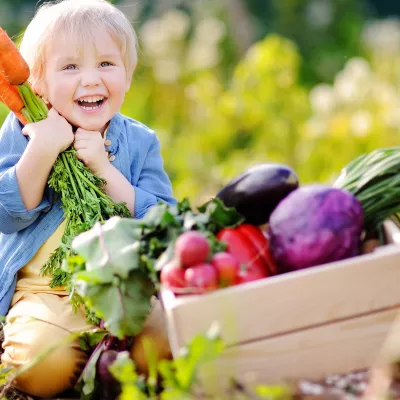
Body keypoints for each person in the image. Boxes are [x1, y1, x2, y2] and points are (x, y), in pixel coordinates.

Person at [0, 0, 176, 397]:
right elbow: (6, 215)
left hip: (124, 284)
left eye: (106, 64)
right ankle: (83, 363)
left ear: (128, 77)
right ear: (38, 83)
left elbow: (165, 221)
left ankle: (107, 362)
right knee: (39, 367)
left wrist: (105, 169)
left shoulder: (140, 141)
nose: (91, 80)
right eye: (70, 67)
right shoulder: (22, 130)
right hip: (46, 291)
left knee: (166, 340)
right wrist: (42, 150)